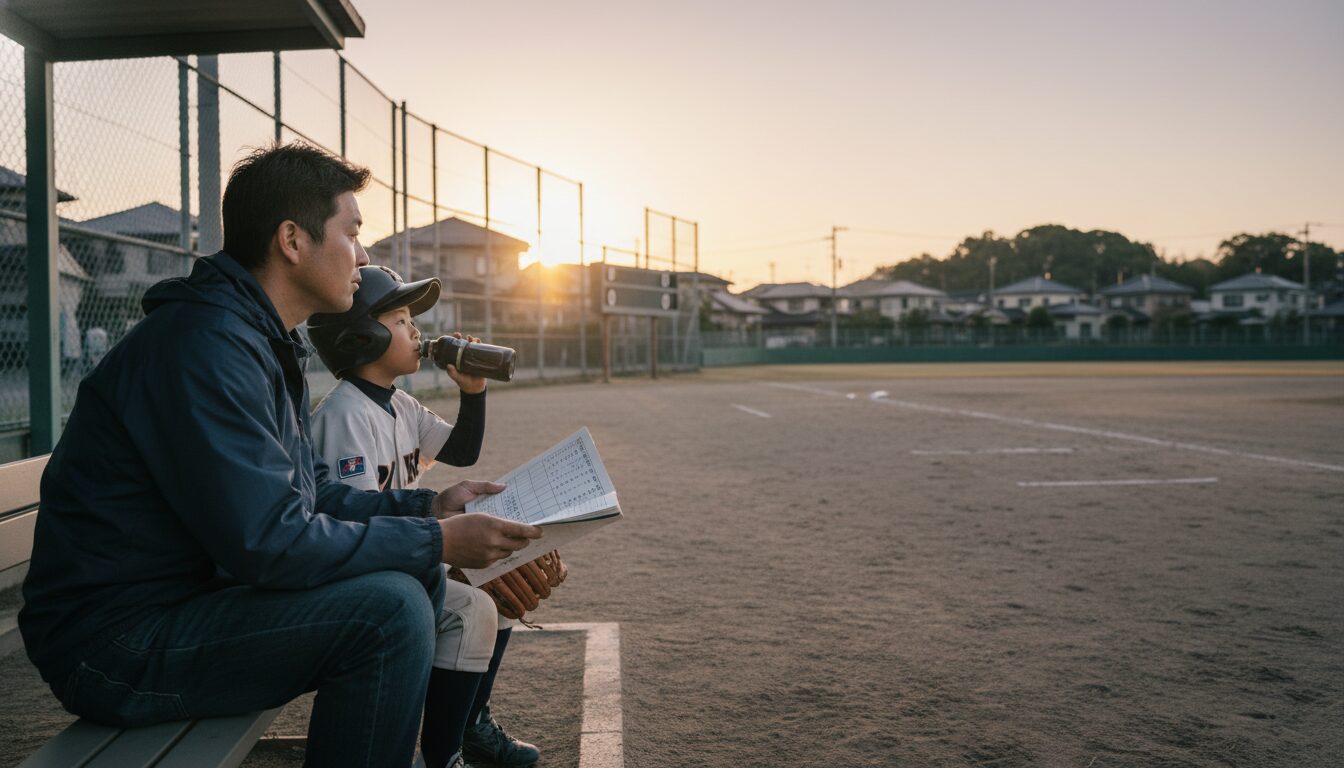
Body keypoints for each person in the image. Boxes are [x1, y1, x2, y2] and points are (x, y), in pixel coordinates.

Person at [18, 142, 543, 768]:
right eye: (352, 232)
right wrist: (438, 540)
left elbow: (308, 496)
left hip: (182, 603)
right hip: (114, 644)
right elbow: (269, 542)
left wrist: (429, 509)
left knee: (414, 578)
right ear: (292, 241)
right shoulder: (205, 346)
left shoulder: (252, 339)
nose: (363, 255)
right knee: (391, 613)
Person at [307, 265, 540, 768]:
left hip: (399, 555)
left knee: (496, 590)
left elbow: (461, 451)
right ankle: (444, 756)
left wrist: (472, 390)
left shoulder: (401, 403)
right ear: (361, 337)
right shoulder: (344, 414)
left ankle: (471, 726)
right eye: (399, 320)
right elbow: (356, 525)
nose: (416, 331)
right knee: (474, 607)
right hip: (361, 572)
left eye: (412, 320)